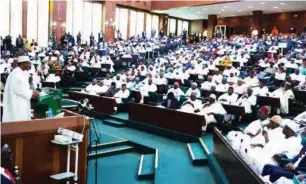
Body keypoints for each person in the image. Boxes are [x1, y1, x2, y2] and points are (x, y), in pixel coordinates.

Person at [2, 56, 40, 122]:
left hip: (20, 102)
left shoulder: (20, 73)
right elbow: (19, 90)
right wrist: (32, 93)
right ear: (22, 64)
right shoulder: (16, 74)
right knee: (17, 122)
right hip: (17, 104)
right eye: (28, 63)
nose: (29, 65)